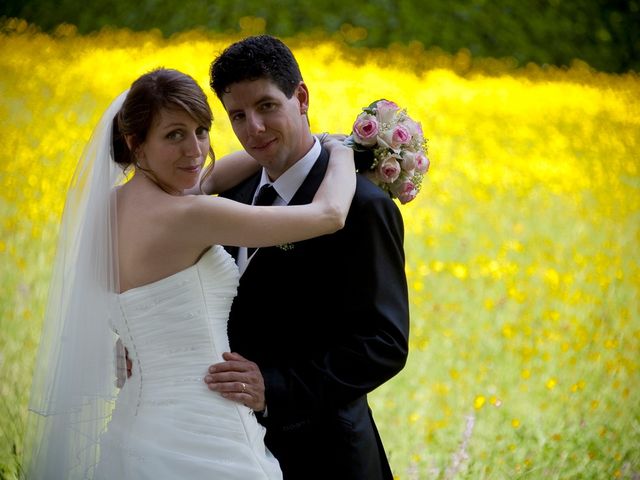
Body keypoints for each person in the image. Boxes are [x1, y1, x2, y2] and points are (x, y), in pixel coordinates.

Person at [23, 68, 355, 480]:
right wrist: (340, 150)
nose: (195, 150)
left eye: (201, 131)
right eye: (174, 135)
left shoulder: (108, 210)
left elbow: (211, 177)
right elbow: (329, 214)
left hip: (134, 426)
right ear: (135, 143)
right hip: (207, 431)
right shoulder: (190, 216)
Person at [204, 35, 410, 480]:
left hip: (327, 452)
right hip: (231, 447)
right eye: (237, 115)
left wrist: (274, 390)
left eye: (266, 106)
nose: (253, 128)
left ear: (301, 97)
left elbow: (384, 344)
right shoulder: (231, 195)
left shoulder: (364, 207)